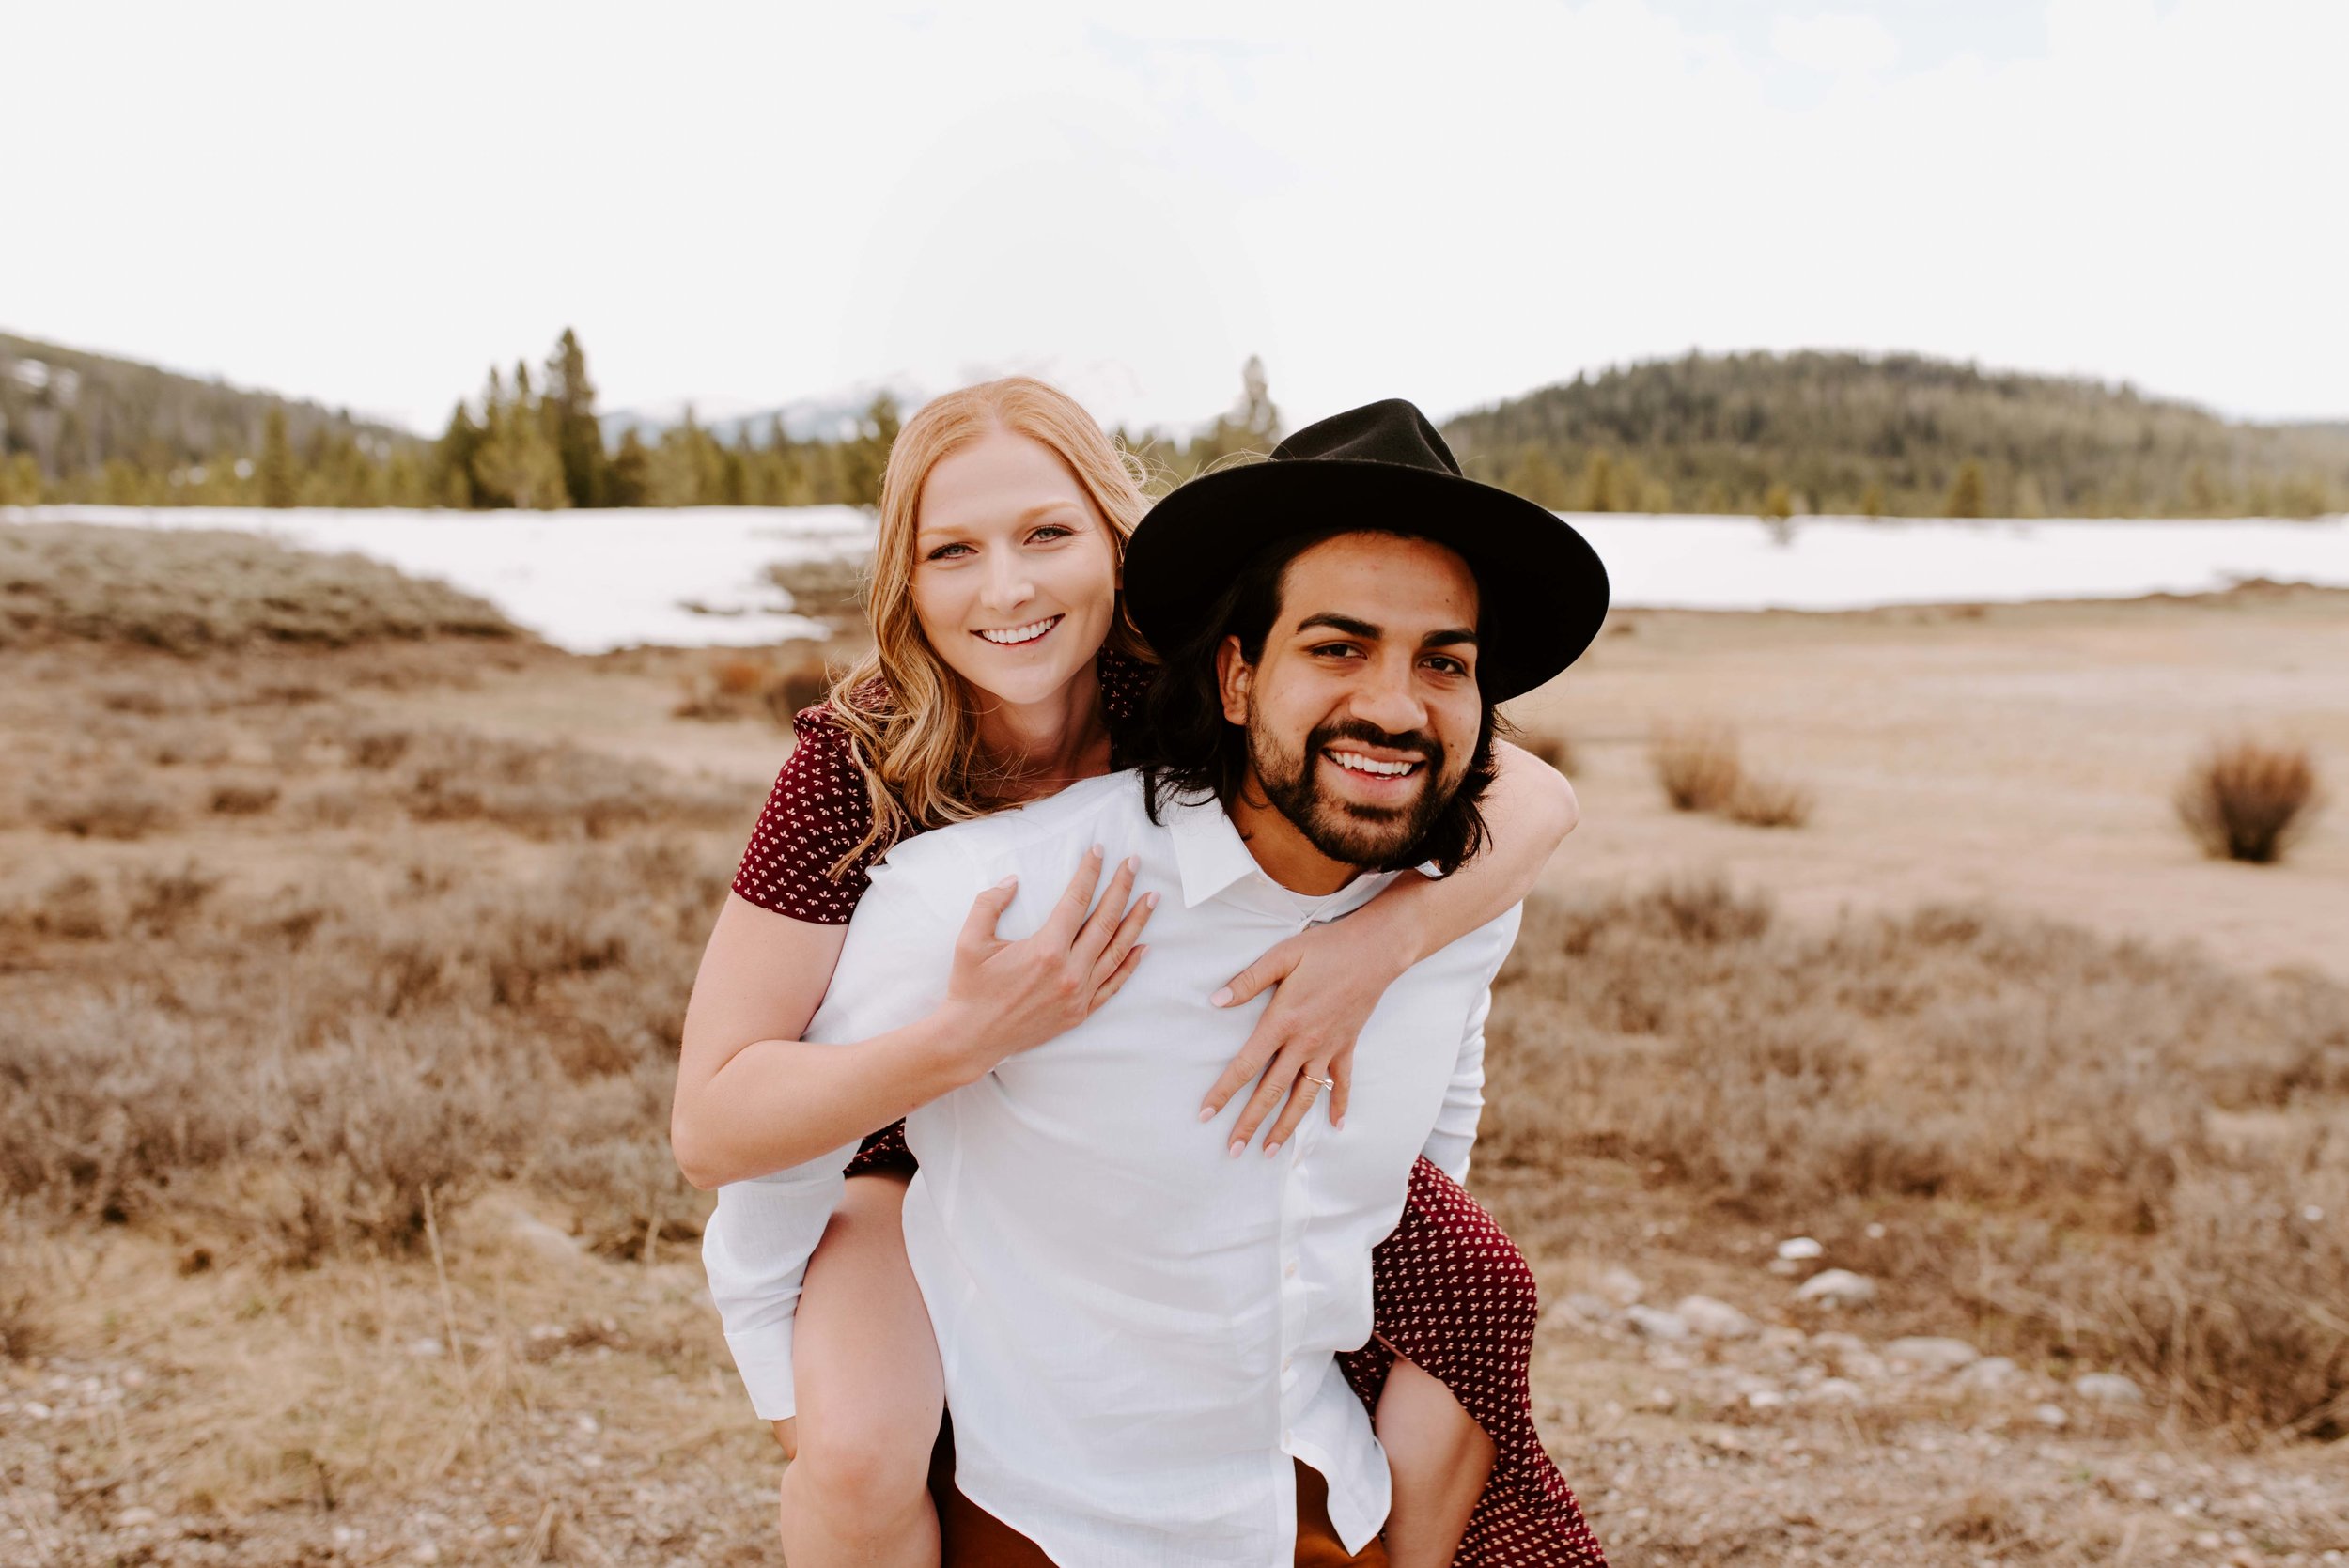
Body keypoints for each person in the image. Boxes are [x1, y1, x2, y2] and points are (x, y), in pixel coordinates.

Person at [674, 381, 1600, 1566]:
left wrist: (1379, 943)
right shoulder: (854, 769)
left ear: (1115, 541)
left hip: (1148, 1105)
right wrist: (963, 1042)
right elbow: (720, 1124)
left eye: (1047, 535)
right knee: (857, 1452)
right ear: (903, 581)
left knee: (1481, 1290)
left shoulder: (1176, 685)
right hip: (893, 1123)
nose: (1007, 587)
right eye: (951, 550)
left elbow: (1521, 795)